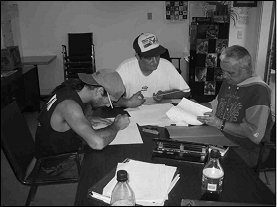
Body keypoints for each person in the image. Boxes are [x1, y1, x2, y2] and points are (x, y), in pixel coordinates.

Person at [197, 45, 273, 167]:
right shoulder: (230, 81)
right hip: (221, 137)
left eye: (230, 72)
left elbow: (254, 134)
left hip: (246, 148)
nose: (224, 76)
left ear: (246, 69)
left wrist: (219, 123)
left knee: (204, 163)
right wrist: (196, 106)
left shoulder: (259, 91)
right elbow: (215, 104)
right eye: (223, 71)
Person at [35, 69, 130, 158]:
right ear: (99, 91)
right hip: (55, 165)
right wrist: (117, 125)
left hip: (60, 151)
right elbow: (97, 143)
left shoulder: (70, 88)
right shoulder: (70, 105)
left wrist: (85, 118)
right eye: (110, 100)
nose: (109, 105)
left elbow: (64, 118)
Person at [115, 32, 191, 108]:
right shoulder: (125, 68)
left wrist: (164, 95)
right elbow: (106, 98)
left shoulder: (166, 65)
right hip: (133, 114)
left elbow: (186, 91)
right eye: (149, 58)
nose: (155, 61)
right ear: (138, 56)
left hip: (159, 113)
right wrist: (127, 103)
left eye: (157, 56)